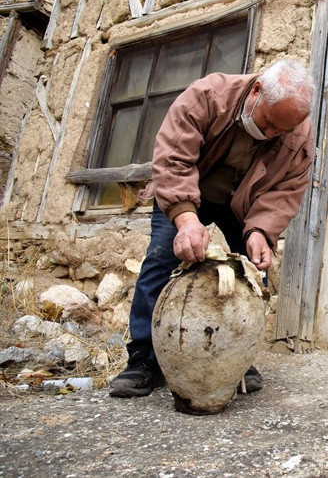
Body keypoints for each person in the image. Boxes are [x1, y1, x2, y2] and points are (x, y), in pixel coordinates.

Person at [109, 59, 315, 397]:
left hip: (242, 204)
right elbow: (173, 158)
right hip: (188, 190)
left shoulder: (297, 133)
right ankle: (144, 360)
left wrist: (261, 231)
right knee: (162, 256)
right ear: (257, 90)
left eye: (282, 130)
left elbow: (284, 190)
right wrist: (185, 219)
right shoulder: (206, 96)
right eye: (268, 123)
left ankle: (235, 360)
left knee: (251, 272)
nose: (272, 134)